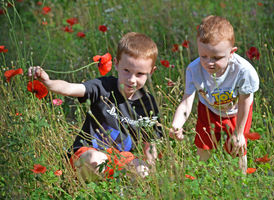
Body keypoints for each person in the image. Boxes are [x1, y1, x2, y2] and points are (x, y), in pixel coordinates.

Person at [28, 32, 162, 180]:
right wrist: (49, 82)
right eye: (126, 71)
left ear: (151, 72)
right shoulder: (103, 87)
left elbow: (150, 142)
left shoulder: (148, 103)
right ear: (116, 64)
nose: (131, 79)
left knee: (143, 171)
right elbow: (70, 88)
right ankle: (81, 185)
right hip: (87, 153)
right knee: (95, 160)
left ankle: (117, 190)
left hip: (122, 158)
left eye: (140, 74)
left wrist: (151, 169)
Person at [169, 15, 259, 174]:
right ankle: (201, 175)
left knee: (237, 146)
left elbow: (246, 101)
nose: (209, 63)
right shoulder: (194, 69)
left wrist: (239, 133)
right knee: (203, 146)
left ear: (232, 52)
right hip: (209, 109)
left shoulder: (244, 71)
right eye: (203, 56)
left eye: (216, 58)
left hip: (237, 111)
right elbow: (187, 101)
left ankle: (242, 180)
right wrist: (177, 124)